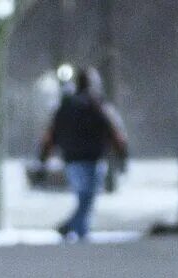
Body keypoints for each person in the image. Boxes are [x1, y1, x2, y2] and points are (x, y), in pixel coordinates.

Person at [37, 68, 128, 240]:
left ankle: (79, 232)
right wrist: (122, 154)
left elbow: (51, 134)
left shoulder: (65, 107)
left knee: (83, 196)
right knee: (88, 198)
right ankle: (74, 229)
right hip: (93, 158)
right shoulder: (98, 106)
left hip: (72, 159)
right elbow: (115, 131)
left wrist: (44, 157)